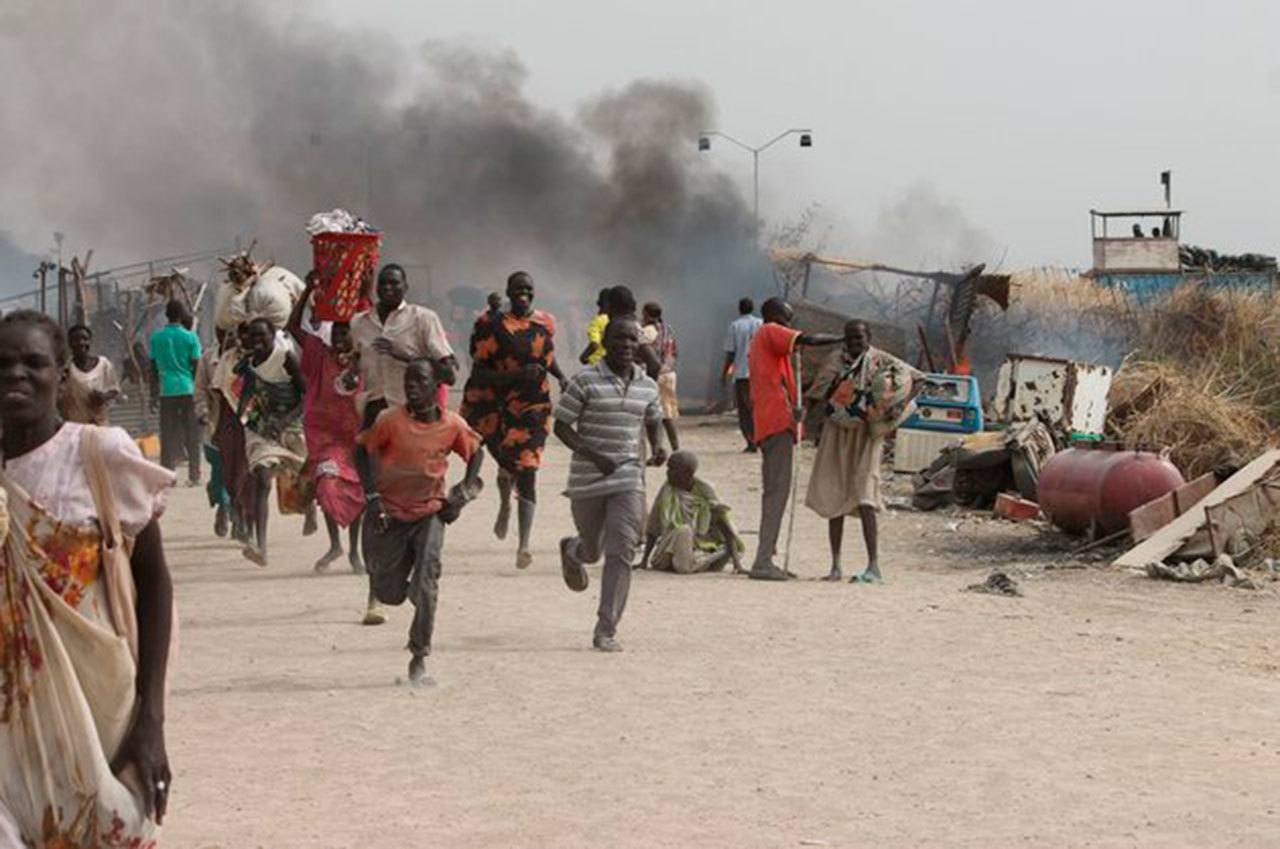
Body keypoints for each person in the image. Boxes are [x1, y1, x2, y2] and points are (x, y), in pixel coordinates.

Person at [0, 310, 175, 845]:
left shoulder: (100, 455)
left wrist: (152, 720)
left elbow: (155, 585)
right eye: (2, 365)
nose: (16, 376)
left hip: (102, 708)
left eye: (34, 363)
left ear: (61, 374)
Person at [359, 359, 484, 685]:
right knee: (388, 592)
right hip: (391, 513)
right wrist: (372, 497)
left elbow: (476, 451)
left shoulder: (452, 425)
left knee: (428, 584)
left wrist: (465, 491)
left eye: (420, 381)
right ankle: (405, 587)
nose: (412, 387)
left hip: (430, 513)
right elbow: (363, 450)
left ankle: (419, 657)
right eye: (408, 381)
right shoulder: (389, 421)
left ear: (435, 387)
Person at [351, 264, 457, 624]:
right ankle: (375, 595)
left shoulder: (422, 319)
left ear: (406, 286)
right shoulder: (359, 324)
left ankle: (411, 578)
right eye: (384, 283)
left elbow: (449, 371)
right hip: (375, 416)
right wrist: (350, 373)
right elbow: (354, 363)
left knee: (411, 503)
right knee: (374, 504)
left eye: (395, 283)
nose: (389, 288)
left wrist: (405, 357)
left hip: (413, 424)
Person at [554, 317, 667, 652]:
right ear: (605, 340)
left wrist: (659, 445)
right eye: (619, 339)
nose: (627, 345)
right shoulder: (585, 381)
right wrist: (592, 454)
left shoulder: (647, 385)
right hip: (588, 480)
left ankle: (606, 628)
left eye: (633, 340)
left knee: (622, 549)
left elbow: (654, 418)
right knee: (593, 550)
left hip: (628, 477)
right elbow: (560, 425)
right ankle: (573, 550)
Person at [460, 271, 567, 570]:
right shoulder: (491, 326)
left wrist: (561, 376)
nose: (524, 293)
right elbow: (479, 372)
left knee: (529, 469)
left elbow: (546, 355)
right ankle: (506, 501)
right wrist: (517, 375)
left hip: (533, 406)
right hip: (496, 404)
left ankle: (524, 545)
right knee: (507, 463)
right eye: (518, 289)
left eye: (528, 289)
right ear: (508, 291)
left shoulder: (546, 322)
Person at [805, 320, 920, 583]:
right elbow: (819, 391)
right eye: (851, 338)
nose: (856, 343)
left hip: (867, 435)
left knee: (866, 496)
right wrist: (803, 419)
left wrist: (896, 408)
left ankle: (874, 565)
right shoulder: (836, 360)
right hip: (836, 431)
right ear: (845, 340)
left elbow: (917, 379)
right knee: (834, 494)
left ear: (868, 337)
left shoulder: (881, 361)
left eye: (860, 338)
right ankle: (835, 566)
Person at [746, 297, 842, 581]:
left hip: (778, 421)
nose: (790, 325)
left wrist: (796, 409)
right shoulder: (770, 331)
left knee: (776, 492)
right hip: (775, 423)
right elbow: (808, 340)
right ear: (775, 316)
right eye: (787, 318)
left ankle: (768, 555)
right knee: (776, 493)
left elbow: (781, 383)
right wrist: (840, 337)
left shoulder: (772, 347)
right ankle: (762, 561)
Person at [287, 275, 366, 573]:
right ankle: (335, 544)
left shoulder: (363, 358)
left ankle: (355, 552)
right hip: (327, 439)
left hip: (357, 438)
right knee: (328, 486)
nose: (341, 338)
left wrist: (364, 285)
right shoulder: (320, 355)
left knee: (358, 492)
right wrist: (307, 290)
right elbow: (293, 327)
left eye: (346, 333)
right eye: (337, 333)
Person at [235, 317, 307, 566]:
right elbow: (245, 396)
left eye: (262, 336)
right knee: (262, 478)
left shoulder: (286, 358)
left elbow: (305, 395)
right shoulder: (248, 364)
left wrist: (285, 421)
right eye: (252, 337)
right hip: (261, 428)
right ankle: (260, 545)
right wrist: (244, 415)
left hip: (291, 425)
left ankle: (309, 511)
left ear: (272, 335)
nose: (257, 342)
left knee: (307, 476)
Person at [638, 450, 745, 574]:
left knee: (720, 547)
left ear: (688, 473)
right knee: (684, 531)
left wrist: (737, 564)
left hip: (696, 548)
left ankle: (695, 561)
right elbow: (653, 527)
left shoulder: (705, 492)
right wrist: (644, 560)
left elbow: (725, 527)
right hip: (667, 552)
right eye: (668, 468)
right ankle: (693, 564)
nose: (668, 473)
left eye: (673, 470)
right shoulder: (667, 491)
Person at [149, 299, 202, 485]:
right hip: (188, 388)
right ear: (181, 315)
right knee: (191, 433)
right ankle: (194, 475)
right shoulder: (190, 337)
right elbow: (196, 365)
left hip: (166, 390)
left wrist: (152, 395)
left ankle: (168, 476)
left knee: (168, 434)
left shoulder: (156, 338)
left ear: (167, 315)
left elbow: (153, 368)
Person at [195, 329, 233, 538]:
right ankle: (222, 504)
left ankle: (236, 515)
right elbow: (199, 389)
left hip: (242, 424)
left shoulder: (248, 357)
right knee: (220, 470)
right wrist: (202, 412)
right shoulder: (208, 359)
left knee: (241, 474)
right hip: (215, 424)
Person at [60, 323, 122, 425]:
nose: (81, 343)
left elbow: (115, 389)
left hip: (100, 424)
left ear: (90, 341)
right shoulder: (66, 370)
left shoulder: (103, 364)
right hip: (77, 426)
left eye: (85, 339)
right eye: (76, 340)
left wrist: (103, 397)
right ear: (70, 344)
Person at [723, 297, 763, 451]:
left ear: (739, 309)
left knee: (745, 410)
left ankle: (751, 441)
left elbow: (730, 353)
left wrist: (724, 372)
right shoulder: (761, 324)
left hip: (742, 373)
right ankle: (760, 438)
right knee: (756, 407)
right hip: (759, 373)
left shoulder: (735, 326)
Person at [640, 301, 681, 451]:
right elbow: (675, 351)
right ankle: (675, 448)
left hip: (655, 375)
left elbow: (641, 349)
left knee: (653, 414)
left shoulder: (648, 331)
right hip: (669, 373)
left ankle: (656, 450)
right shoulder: (668, 329)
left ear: (647, 314)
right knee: (668, 413)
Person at [578, 287, 612, 365]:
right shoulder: (616, 320)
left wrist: (583, 357)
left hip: (597, 363)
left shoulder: (597, 321)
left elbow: (594, 345)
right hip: (613, 362)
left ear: (599, 303)